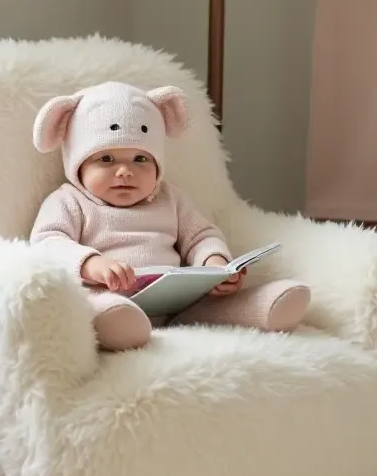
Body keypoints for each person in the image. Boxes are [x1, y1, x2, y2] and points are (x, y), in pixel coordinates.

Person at [30, 81, 310, 351]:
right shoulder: (69, 201)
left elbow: (201, 235)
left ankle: (266, 307)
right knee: (102, 309)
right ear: (77, 163)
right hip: (107, 295)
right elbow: (47, 242)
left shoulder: (170, 198)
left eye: (140, 159)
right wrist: (91, 263)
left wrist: (215, 264)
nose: (125, 171)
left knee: (215, 306)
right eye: (106, 159)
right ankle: (120, 328)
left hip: (178, 304)